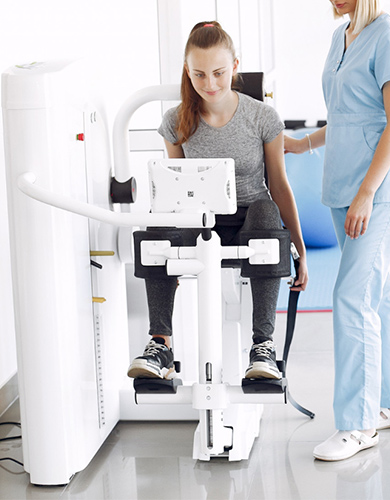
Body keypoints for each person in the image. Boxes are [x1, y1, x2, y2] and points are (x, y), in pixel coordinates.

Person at [284, 0, 390, 461]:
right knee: (378, 292)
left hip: (380, 189)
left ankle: (358, 424)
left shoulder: (389, 36)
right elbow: (347, 115)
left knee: (353, 297)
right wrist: (302, 144)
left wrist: (367, 192)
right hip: (343, 184)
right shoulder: (340, 37)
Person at [129, 21, 308, 383]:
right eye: (199, 74)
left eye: (219, 73)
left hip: (251, 224)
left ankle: (263, 347)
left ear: (235, 66)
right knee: (157, 221)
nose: (209, 83)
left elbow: (279, 185)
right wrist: (169, 251)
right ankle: (160, 345)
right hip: (199, 223)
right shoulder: (175, 121)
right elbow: (174, 191)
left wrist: (299, 251)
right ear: (187, 71)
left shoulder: (262, 117)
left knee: (265, 209)